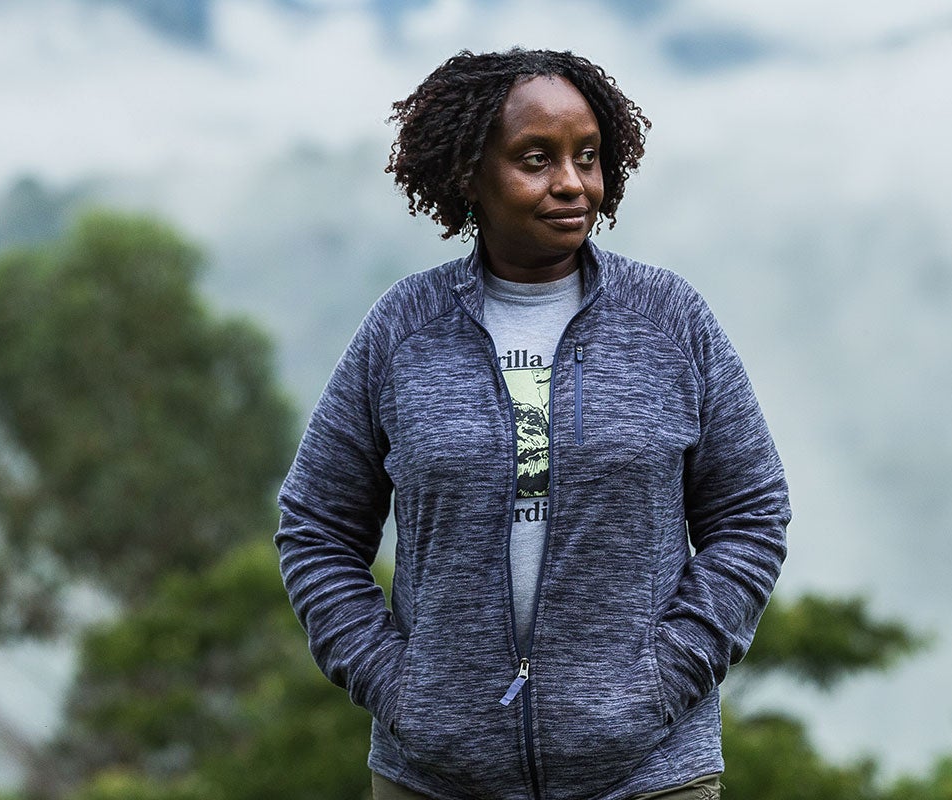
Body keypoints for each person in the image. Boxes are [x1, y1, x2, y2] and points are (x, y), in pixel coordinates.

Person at [275, 47, 790, 800]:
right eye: (536, 159)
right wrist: (402, 692)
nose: (572, 183)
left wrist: (662, 677)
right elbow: (316, 527)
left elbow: (751, 513)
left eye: (588, 156)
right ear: (467, 176)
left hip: (647, 777)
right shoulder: (404, 330)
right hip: (436, 781)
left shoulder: (669, 322)